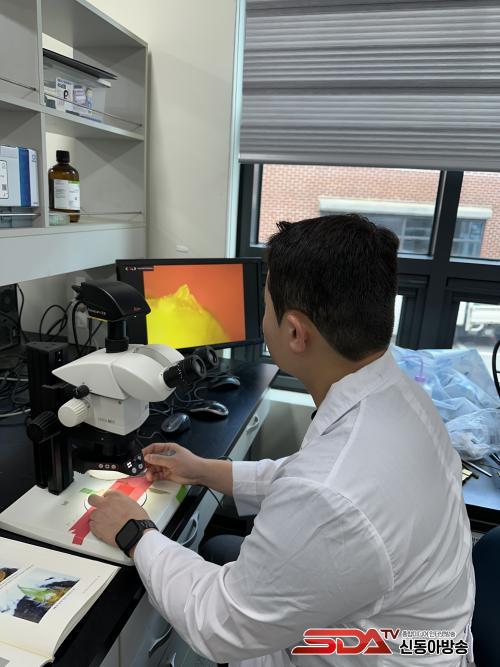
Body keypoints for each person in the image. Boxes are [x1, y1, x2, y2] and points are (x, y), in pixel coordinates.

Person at [89, 214, 475, 666]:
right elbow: (306, 478)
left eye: (266, 304)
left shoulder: (332, 491)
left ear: (294, 332)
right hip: (425, 634)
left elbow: (220, 624)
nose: (262, 315)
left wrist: (135, 531)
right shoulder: (399, 395)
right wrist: (204, 470)